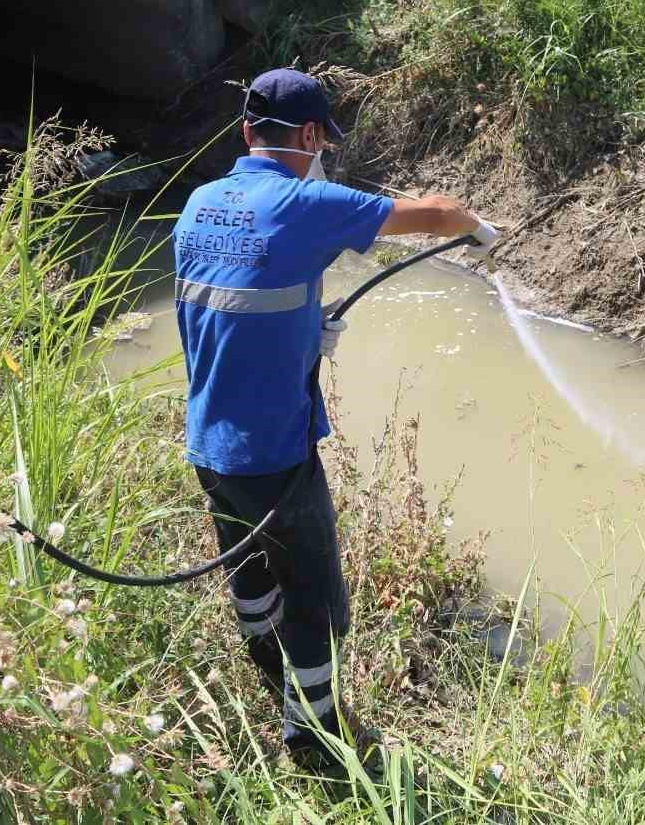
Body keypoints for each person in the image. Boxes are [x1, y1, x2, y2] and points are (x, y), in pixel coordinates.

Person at [171, 68, 495, 770]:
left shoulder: (199, 203)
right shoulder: (305, 201)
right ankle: (315, 739)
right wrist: (477, 227)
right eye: (324, 143)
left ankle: (265, 667)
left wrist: (302, 327)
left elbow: (222, 310)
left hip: (208, 443)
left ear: (247, 129)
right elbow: (434, 215)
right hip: (275, 460)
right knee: (315, 600)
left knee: (249, 572)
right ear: (311, 136)